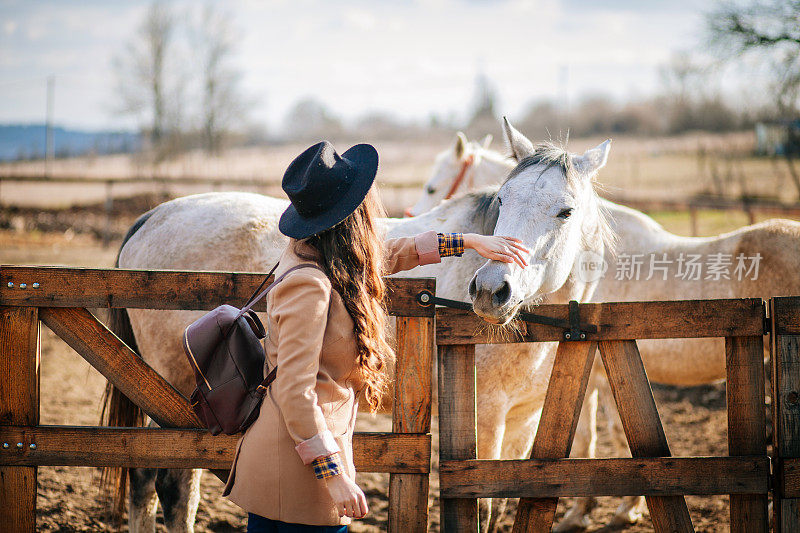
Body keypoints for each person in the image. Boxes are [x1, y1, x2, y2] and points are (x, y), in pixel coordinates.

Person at [223, 141, 528, 532]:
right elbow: (295, 392)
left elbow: (386, 254)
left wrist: (465, 241)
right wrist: (334, 477)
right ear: (349, 214)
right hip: (299, 475)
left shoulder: (319, 253)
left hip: (294, 462)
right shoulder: (310, 286)